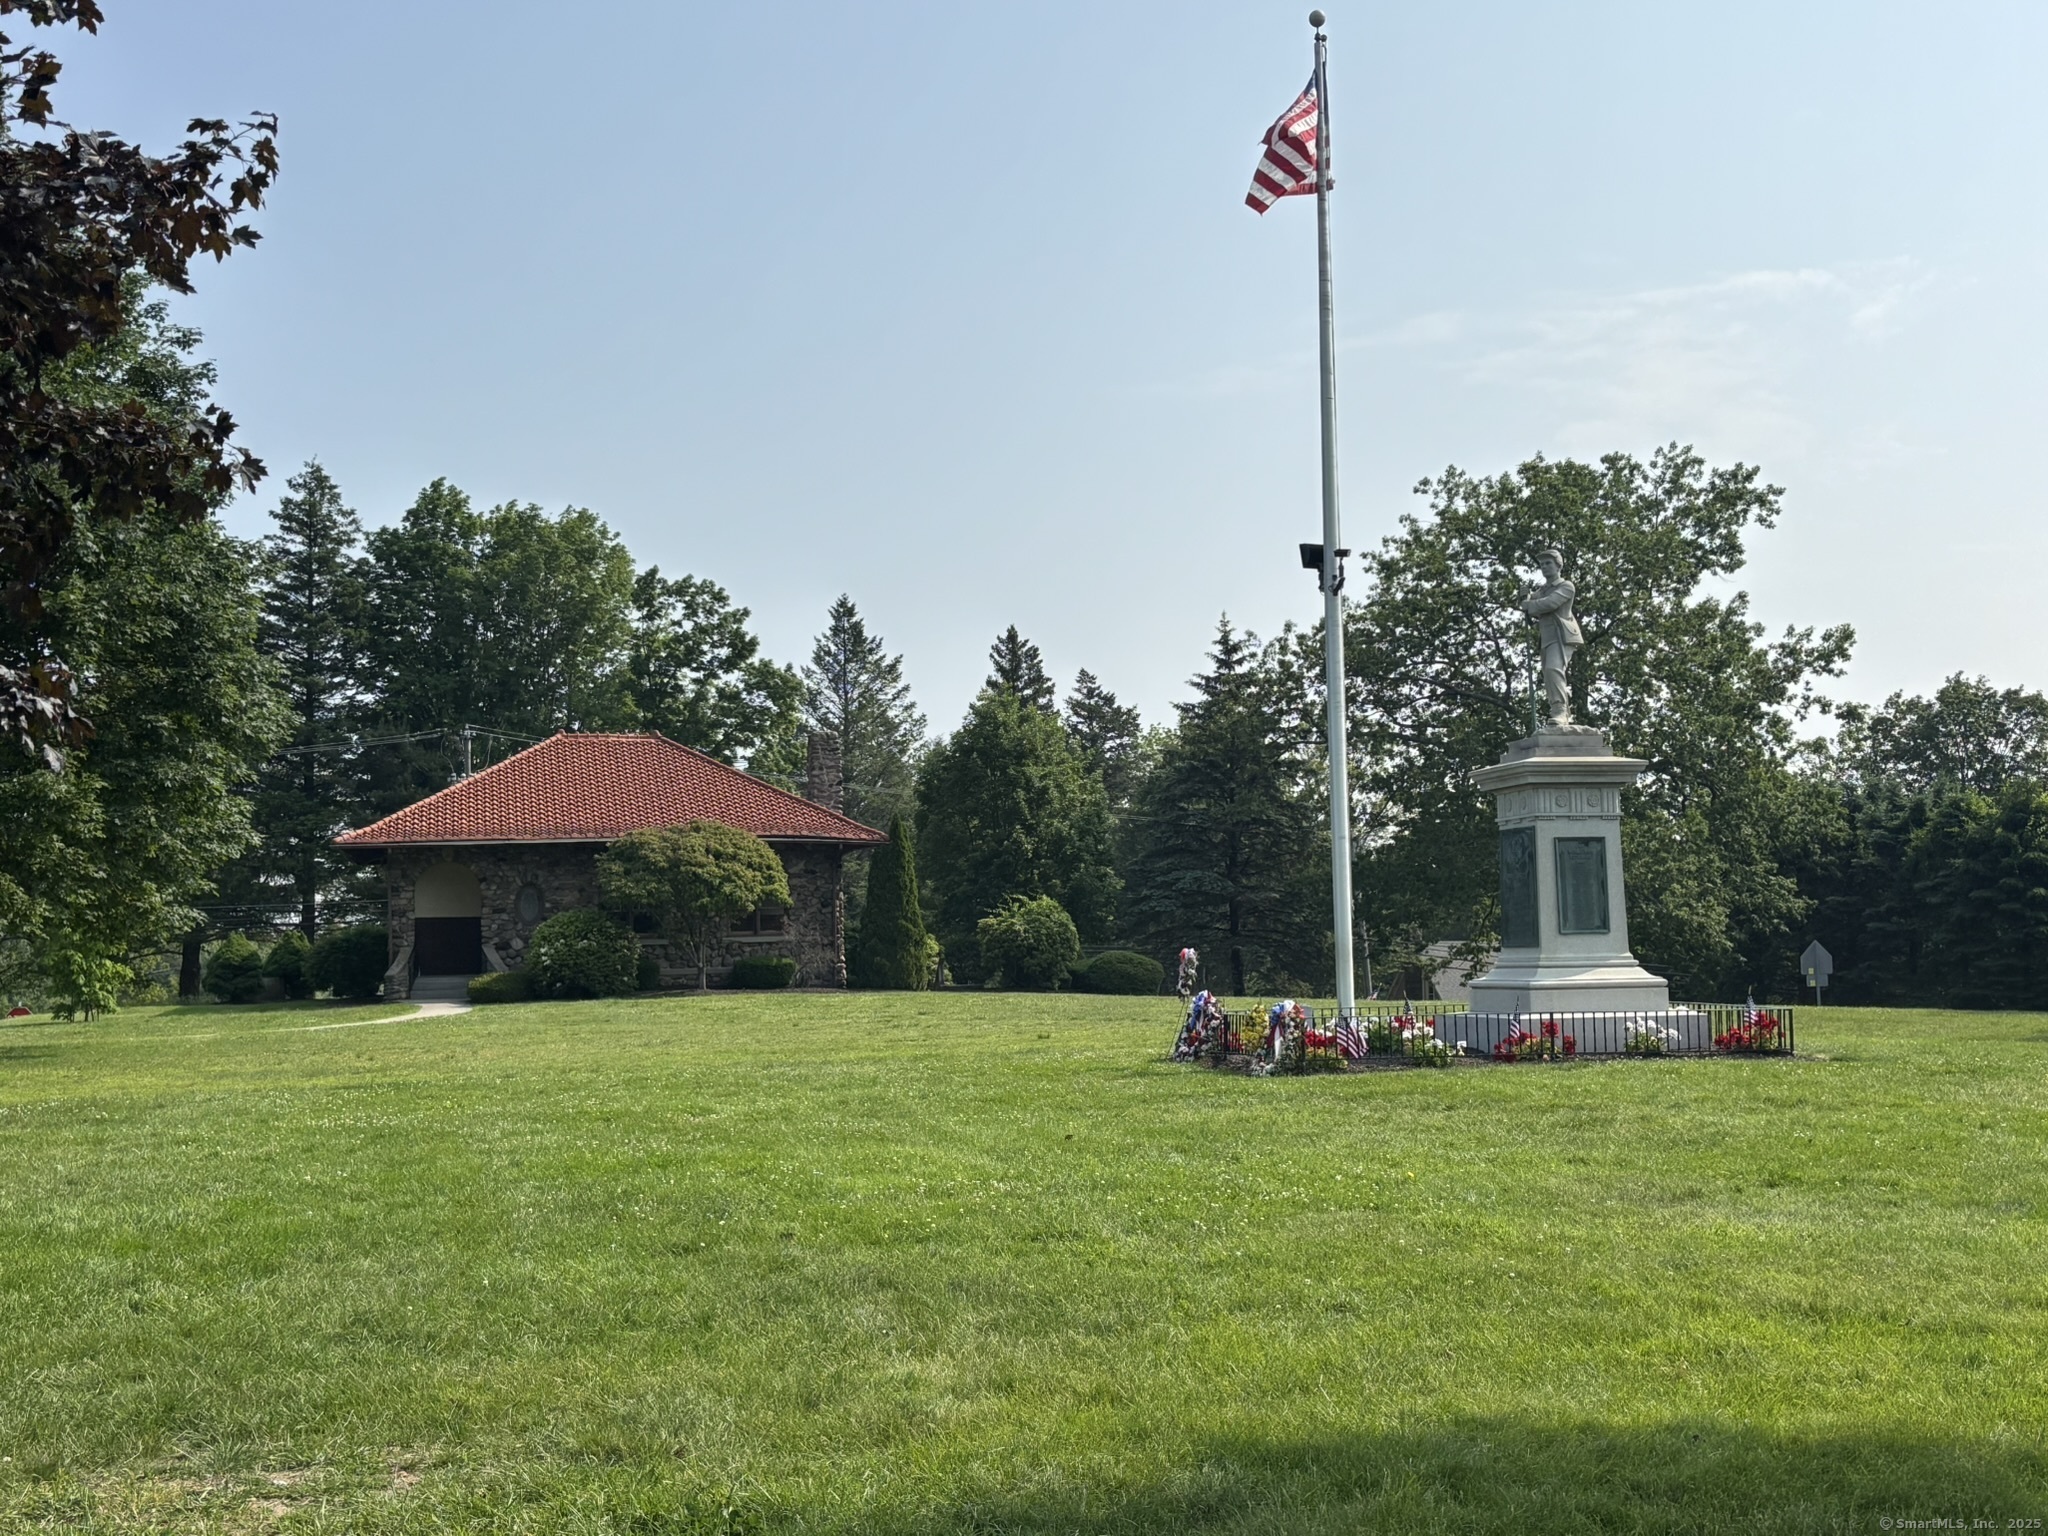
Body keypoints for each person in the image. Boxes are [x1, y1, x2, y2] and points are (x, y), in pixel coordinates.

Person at [1517, 546, 1584, 731]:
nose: (1545, 567)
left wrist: (1528, 604)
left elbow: (1550, 603)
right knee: (1549, 674)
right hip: (1546, 637)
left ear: (1558, 566)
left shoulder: (1565, 586)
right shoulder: (1542, 589)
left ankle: (1560, 711)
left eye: (1548, 563)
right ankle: (1559, 710)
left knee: (1554, 669)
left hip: (1562, 635)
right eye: (1542, 564)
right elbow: (1530, 609)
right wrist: (1523, 598)